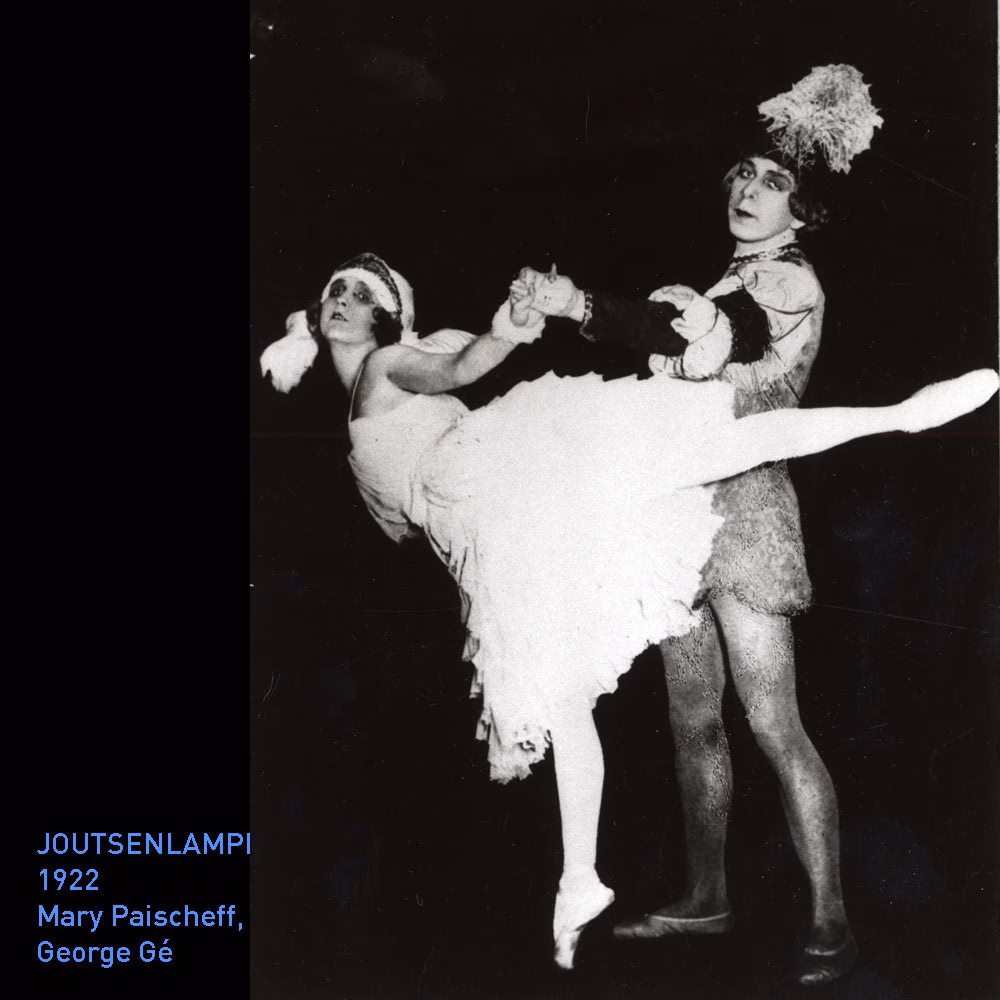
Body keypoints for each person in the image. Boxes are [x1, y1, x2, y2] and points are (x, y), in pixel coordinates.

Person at [260, 250, 997, 973]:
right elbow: (402, 510)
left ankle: (901, 415)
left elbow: (459, 368)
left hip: (494, 474)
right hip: (483, 530)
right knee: (561, 689)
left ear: (386, 318)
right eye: (335, 291)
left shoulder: (387, 366)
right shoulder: (357, 397)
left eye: (360, 294)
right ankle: (579, 881)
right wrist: (301, 333)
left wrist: (506, 332)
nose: (343, 301)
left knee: (696, 454)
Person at [515, 64, 896, 985]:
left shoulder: (787, 277)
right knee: (692, 722)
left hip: (749, 514)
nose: (749, 190)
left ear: (802, 210)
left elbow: (704, 338)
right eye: (743, 175)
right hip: (680, 509)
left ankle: (832, 921)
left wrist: (579, 305)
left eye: (773, 181)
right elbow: (680, 338)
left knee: (771, 722)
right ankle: (706, 896)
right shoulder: (730, 276)